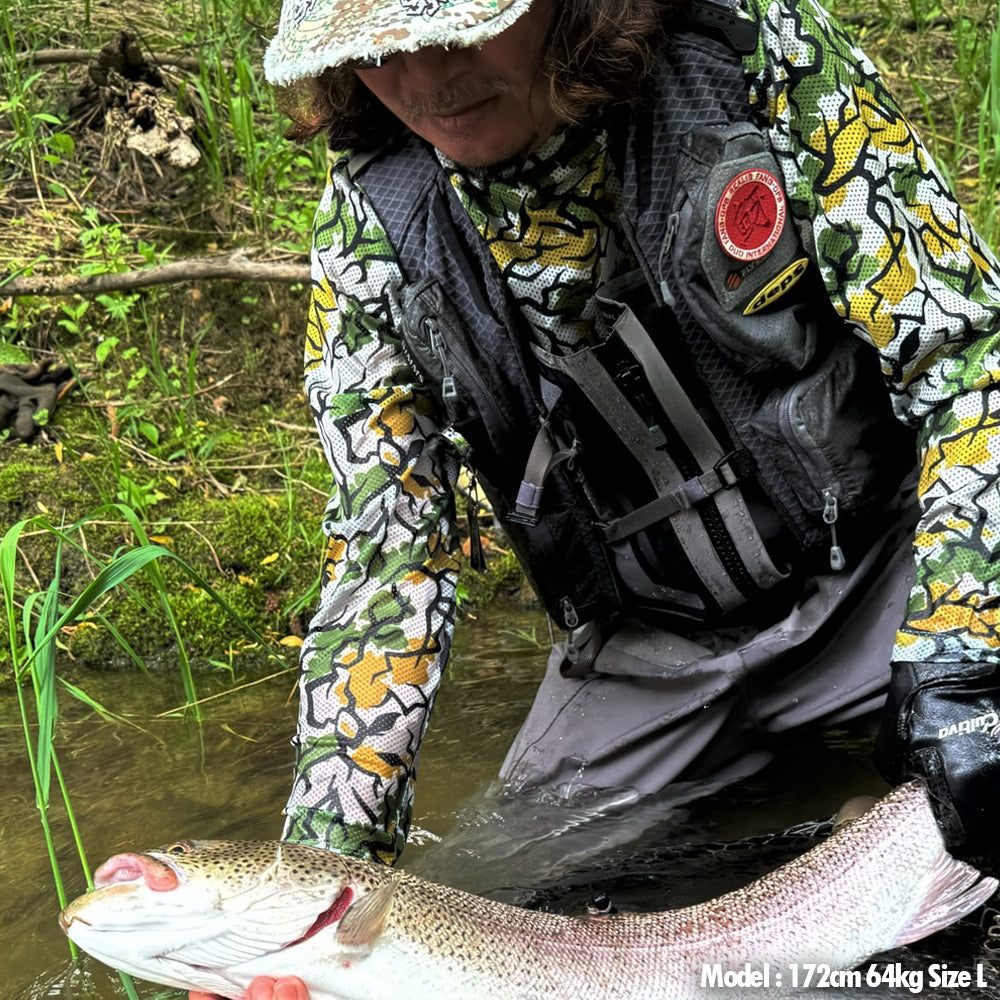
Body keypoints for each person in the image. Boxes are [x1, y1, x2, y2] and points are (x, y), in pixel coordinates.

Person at [260, 0, 1000, 875]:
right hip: (647, 658)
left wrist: (963, 646)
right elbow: (389, 562)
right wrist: (319, 879)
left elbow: (970, 359)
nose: (428, 82)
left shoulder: (743, 54)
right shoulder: (373, 226)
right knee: (500, 907)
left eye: (455, 31)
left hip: (887, 566)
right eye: (377, 54)